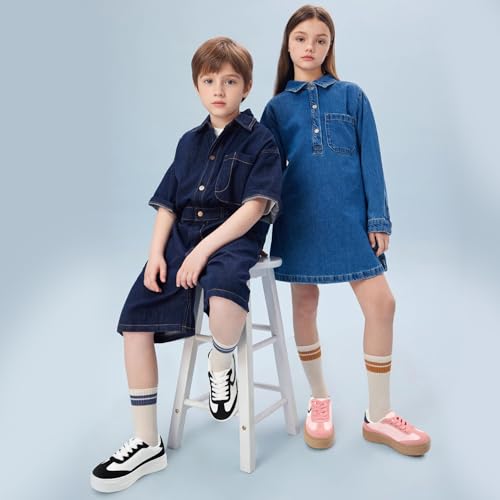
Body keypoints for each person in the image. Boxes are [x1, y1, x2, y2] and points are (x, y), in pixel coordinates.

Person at [90, 36, 282, 493]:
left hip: (232, 239)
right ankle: (146, 442)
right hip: (181, 238)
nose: (219, 90)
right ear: (197, 87)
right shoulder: (188, 143)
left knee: (225, 298)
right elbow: (167, 204)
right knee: (135, 321)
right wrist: (157, 252)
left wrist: (203, 252)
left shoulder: (262, 141)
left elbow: (254, 208)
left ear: (246, 87)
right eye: (209, 81)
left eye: (230, 81)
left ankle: (220, 361)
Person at [261, 5, 430, 456]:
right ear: (288, 45)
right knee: (305, 305)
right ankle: (319, 400)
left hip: (351, 220)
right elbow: (266, 174)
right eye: (301, 38)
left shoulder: (352, 96)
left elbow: (371, 159)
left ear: (330, 46)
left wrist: (378, 220)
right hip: (298, 221)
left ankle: (379, 415)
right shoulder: (276, 108)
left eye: (320, 39)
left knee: (382, 303)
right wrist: (252, 231)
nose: (310, 47)